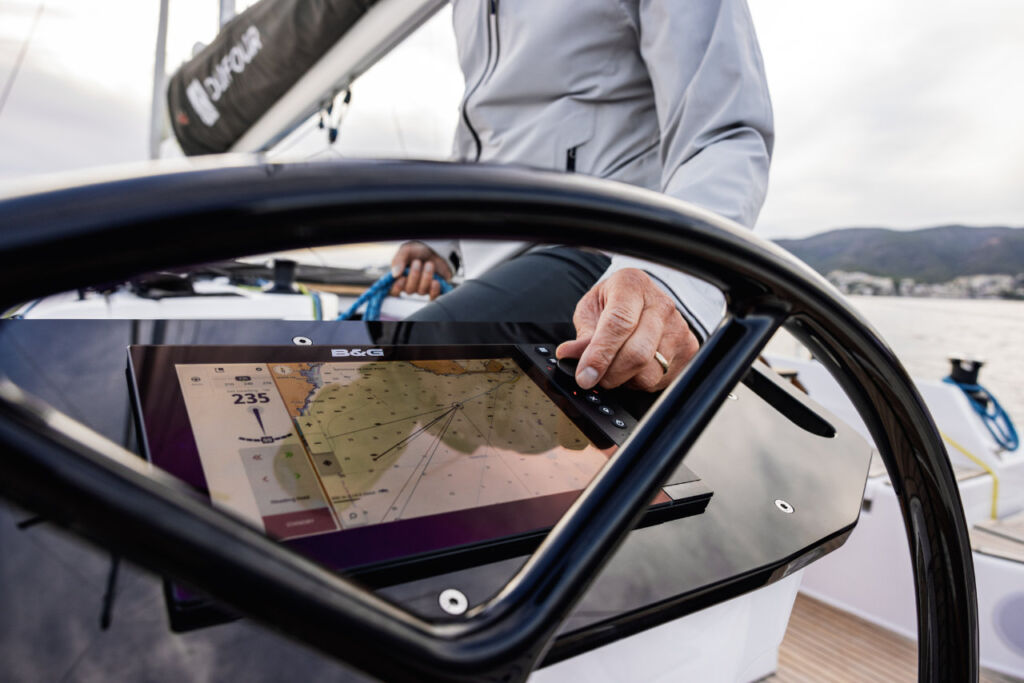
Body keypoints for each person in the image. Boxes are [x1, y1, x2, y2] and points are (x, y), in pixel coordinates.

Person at [390, 0, 773, 392]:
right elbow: (479, 133)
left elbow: (724, 132)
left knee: (399, 360)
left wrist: (672, 279)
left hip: (602, 253)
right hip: (498, 265)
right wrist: (442, 242)